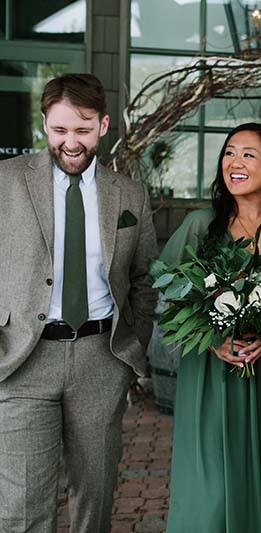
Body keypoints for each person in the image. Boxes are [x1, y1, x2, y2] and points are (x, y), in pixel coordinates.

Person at [0, 73, 157, 531]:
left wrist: (131, 350)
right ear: (44, 124)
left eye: (83, 130)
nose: (71, 142)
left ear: (104, 126)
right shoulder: (5, 182)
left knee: (95, 500)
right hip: (22, 360)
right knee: (22, 507)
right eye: (60, 130)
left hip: (100, 359)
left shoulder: (129, 194)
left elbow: (145, 279)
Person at [161, 123, 261, 532]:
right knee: (211, 493)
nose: (235, 162)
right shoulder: (200, 225)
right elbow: (169, 295)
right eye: (229, 152)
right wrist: (213, 338)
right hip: (212, 378)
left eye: (249, 154)